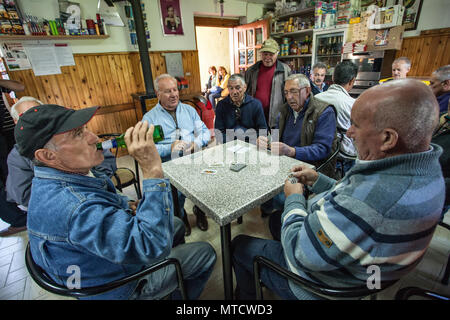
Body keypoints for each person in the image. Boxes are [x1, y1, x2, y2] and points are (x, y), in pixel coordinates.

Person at [232, 79, 445, 300]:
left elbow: (301, 252)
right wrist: (319, 180)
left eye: (357, 125)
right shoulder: (425, 170)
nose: (349, 133)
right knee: (278, 220)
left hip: (324, 287)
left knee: (240, 246)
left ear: (388, 138)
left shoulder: (376, 200)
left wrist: (294, 199)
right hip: (363, 270)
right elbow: (354, 197)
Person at [15, 104, 216, 300]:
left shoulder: (54, 178)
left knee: (177, 224)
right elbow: (151, 245)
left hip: (100, 261)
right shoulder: (75, 207)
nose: (93, 137)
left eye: (84, 129)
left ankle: (169, 274)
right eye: (77, 134)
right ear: (47, 155)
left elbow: (98, 202)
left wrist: (124, 204)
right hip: (119, 286)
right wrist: (152, 171)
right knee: (205, 253)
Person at [5, 96, 117, 213]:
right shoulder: (76, 205)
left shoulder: (67, 132)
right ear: (16, 122)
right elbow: (25, 195)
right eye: (26, 116)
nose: (95, 138)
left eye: (39, 111)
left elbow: (106, 160)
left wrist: (95, 180)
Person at [256, 73, 337, 218]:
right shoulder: (284, 110)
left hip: (307, 168)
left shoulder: (324, 112)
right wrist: (265, 140)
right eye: (286, 92)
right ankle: (270, 211)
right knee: (258, 177)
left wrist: (292, 151)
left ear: (307, 91)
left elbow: (323, 149)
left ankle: (287, 217)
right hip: (283, 161)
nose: (289, 97)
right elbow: (274, 135)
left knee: (281, 198)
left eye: (294, 91)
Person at [143, 74, 211, 233]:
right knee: (176, 196)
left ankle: (199, 212)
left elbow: (205, 132)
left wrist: (197, 143)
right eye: (167, 91)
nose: (173, 94)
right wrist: (169, 147)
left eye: (175, 90)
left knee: (201, 188)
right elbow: (147, 149)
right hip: (169, 164)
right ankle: (181, 218)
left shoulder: (189, 110)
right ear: (158, 94)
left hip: (193, 158)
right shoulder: (149, 118)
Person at [315, 61, 358, 174]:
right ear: (352, 80)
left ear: (333, 77)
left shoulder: (315, 98)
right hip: (343, 158)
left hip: (318, 155)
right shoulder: (353, 104)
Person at [245, 38, 291, 128]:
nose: (267, 57)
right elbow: (245, 93)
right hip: (255, 117)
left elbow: (289, 95)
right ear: (260, 54)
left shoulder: (285, 70)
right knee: (256, 141)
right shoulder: (251, 70)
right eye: (265, 54)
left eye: (271, 54)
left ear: (277, 53)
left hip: (276, 119)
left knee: (275, 140)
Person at [0, 78, 25, 237]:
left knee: (11, 172)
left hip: (8, 133)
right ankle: (17, 219)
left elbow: (19, 86)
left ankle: (16, 207)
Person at [214, 73, 267, 143]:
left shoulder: (255, 104)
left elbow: (263, 130)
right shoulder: (221, 105)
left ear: (245, 87)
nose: (234, 92)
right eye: (231, 88)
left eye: (238, 88)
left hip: (251, 144)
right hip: (229, 145)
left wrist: (258, 139)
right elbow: (219, 133)